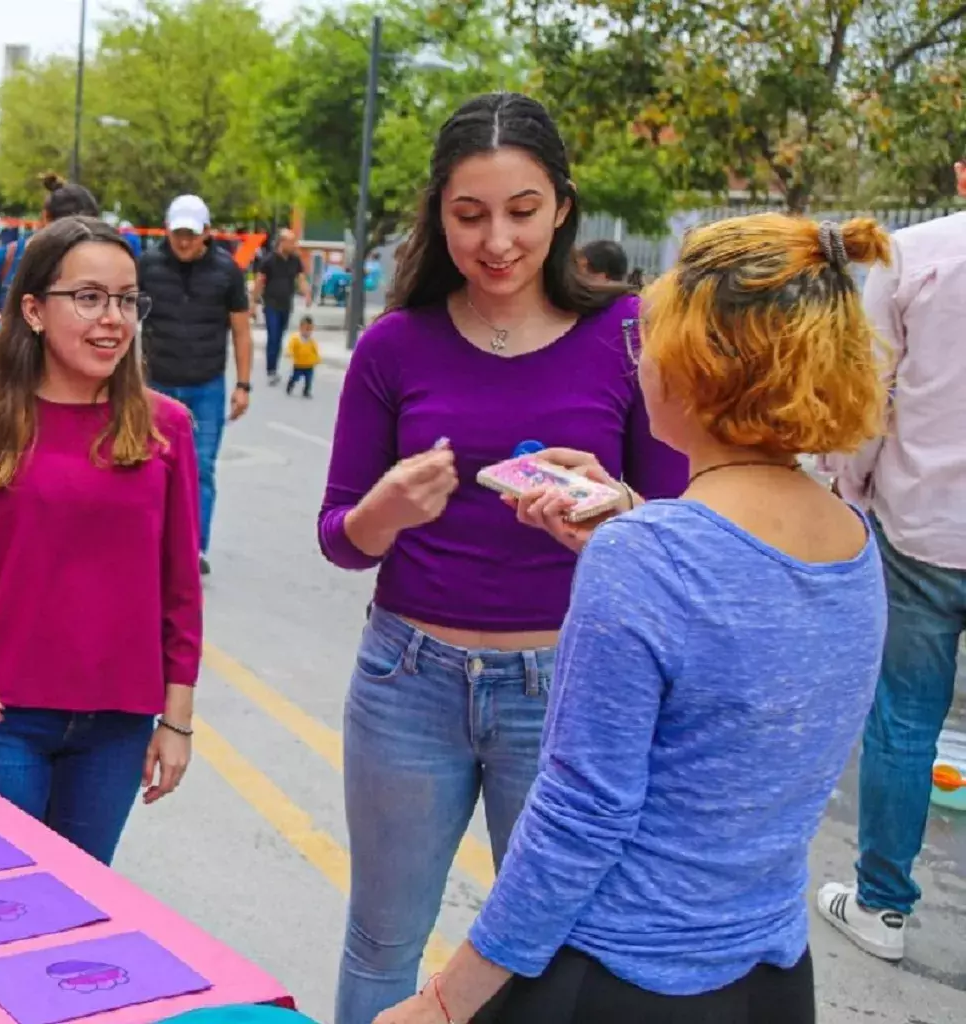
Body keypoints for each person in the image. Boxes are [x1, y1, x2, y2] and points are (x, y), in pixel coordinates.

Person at [375, 214, 891, 1024]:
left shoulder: (647, 557)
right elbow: (741, 630)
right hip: (767, 977)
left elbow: (578, 818)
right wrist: (633, 519)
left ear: (694, 368)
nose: (638, 361)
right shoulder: (852, 540)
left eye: (647, 341)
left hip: (618, 979)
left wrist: (443, 1004)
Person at [317, 92, 688, 1024]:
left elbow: (683, 526)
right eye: (469, 214)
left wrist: (618, 509)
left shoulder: (631, 333)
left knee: (546, 949)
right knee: (381, 940)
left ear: (562, 206)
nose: (496, 242)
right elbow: (339, 539)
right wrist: (386, 510)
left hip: (570, 686)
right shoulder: (394, 345)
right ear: (438, 213)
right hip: (408, 680)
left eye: (521, 211)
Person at [0, 217, 200, 866]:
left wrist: (176, 719)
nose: (113, 318)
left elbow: (179, 590)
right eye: (89, 297)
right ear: (33, 310)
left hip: (117, 725)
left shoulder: (166, 427)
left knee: (78, 909)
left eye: (126, 299)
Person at [815, 156, 966, 964]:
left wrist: (854, 485)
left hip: (923, 530)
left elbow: (865, 396)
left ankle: (881, 908)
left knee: (906, 721)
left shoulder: (913, 254)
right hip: (923, 526)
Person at [139, 193, 253, 576]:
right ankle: (149, 544)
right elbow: (124, 320)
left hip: (207, 385)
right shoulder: (147, 266)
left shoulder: (227, 272)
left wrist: (244, 384)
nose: (184, 241)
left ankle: (193, 548)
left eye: (191, 233)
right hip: (156, 384)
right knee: (149, 467)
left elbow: (240, 330)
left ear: (206, 232)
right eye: (177, 234)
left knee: (201, 468)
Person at [0, 172, 101, 387]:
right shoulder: (4, 259)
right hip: (13, 386)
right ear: (45, 219)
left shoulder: (100, 265)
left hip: (77, 388)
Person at [254, 229, 311, 384]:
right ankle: (271, 370)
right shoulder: (268, 260)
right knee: (273, 336)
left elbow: (300, 278)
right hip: (271, 304)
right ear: (282, 242)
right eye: (292, 242)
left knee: (279, 337)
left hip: (286, 304)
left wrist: (307, 293)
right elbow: (260, 280)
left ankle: (274, 367)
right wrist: (253, 303)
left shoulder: (295, 260)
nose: (295, 245)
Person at [285, 315, 320, 397]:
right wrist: (289, 352)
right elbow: (291, 347)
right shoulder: (295, 339)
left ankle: (306, 391)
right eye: (306, 329)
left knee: (309, 379)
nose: (308, 332)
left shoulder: (312, 341)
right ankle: (291, 384)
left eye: (310, 329)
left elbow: (315, 351)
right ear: (301, 328)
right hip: (298, 364)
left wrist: (317, 359)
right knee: (295, 377)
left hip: (309, 365)